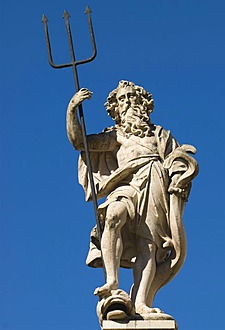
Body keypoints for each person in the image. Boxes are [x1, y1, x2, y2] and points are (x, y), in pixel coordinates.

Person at [66, 80, 198, 315]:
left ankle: (141, 303)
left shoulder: (160, 136)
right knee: (113, 216)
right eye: (122, 99)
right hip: (126, 186)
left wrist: (180, 169)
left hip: (155, 186)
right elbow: (80, 142)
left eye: (131, 97)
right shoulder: (115, 137)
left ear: (142, 103)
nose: (128, 103)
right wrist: (72, 109)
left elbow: (175, 162)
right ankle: (112, 281)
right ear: (116, 108)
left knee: (147, 246)